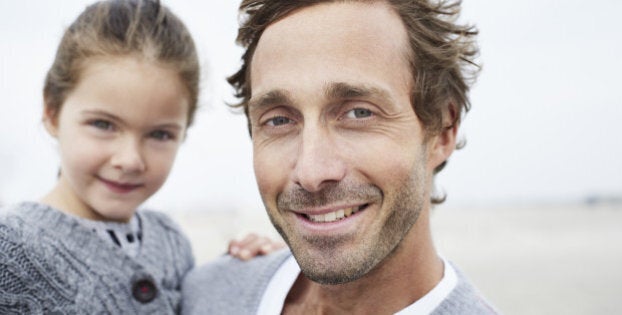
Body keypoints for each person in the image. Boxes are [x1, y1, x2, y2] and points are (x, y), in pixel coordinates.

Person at [182, 0, 498, 314]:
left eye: (359, 113)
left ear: (443, 131)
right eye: (279, 120)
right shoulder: (204, 294)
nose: (311, 172)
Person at [0, 1, 282, 313]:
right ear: (51, 112)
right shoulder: (9, 253)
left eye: (159, 134)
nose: (131, 160)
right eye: (103, 125)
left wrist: (240, 274)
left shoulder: (172, 244)